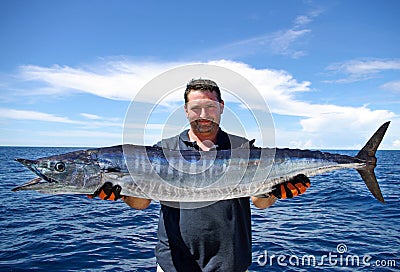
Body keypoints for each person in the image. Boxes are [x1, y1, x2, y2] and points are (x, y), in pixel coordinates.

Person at [91, 79, 311, 271]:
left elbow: (259, 202)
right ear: (186, 110)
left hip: (231, 263)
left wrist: (277, 191)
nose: (204, 115)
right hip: (174, 264)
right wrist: (122, 193)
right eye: (196, 108)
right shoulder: (163, 149)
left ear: (221, 107)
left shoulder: (242, 147)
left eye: (211, 106)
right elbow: (141, 203)